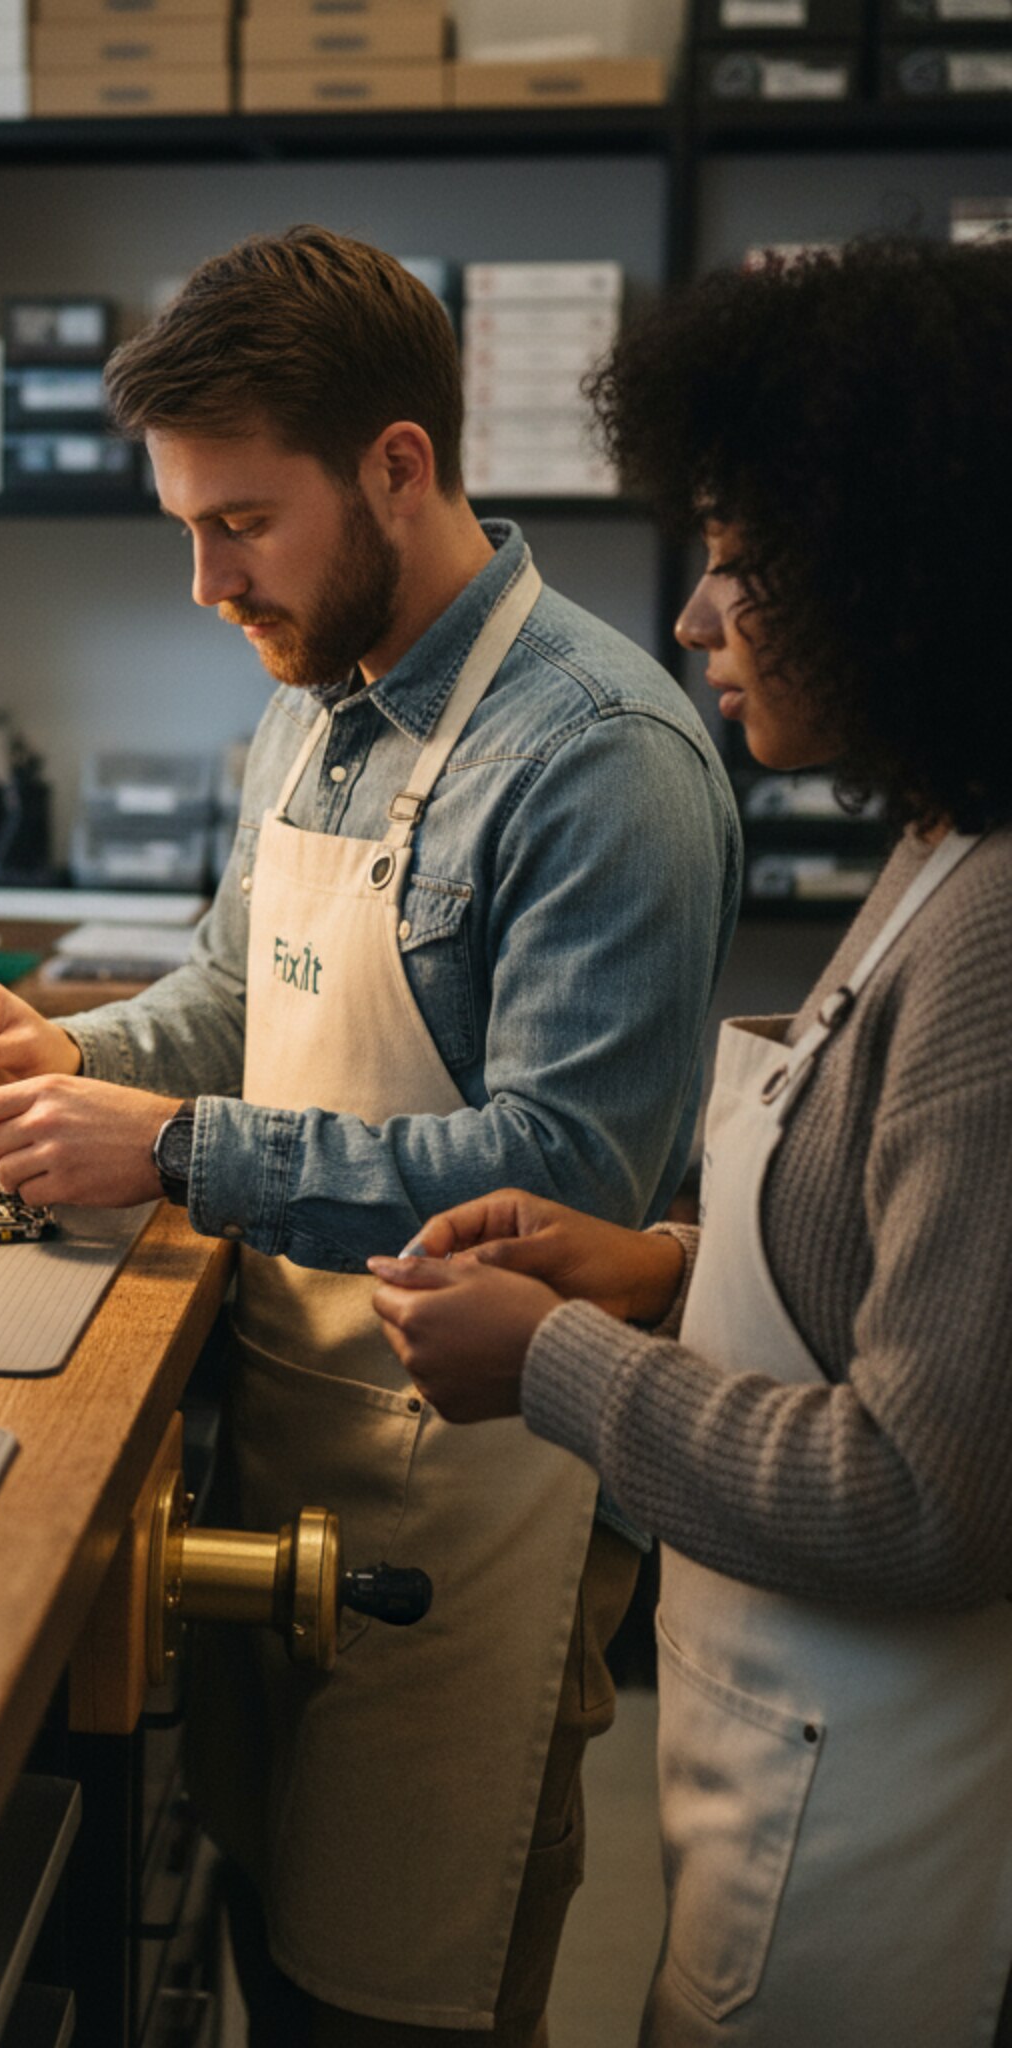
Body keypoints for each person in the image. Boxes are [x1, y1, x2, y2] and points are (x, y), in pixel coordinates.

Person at [0, 226, 741, 2044]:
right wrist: (67, 1047)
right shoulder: (312, 694)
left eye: (242, 524)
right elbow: (230, 993)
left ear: (400, 466)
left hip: (473, 1480)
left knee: (391, 1999)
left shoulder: (602, 756)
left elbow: (562, 1192)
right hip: (291, 1422)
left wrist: (183, 1147)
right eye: (185, 526)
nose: (207, 583)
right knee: (268, 1953)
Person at [368, 236, 1012, 2047]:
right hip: (787, 1772)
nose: (694, 616)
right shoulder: (939, 846)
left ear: (912, 565)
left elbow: (925, 1494)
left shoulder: (997, 942)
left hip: (896, 1851)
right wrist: (655, 1275)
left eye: (744, 557)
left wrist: (563, 1364)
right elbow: (904, 1277)